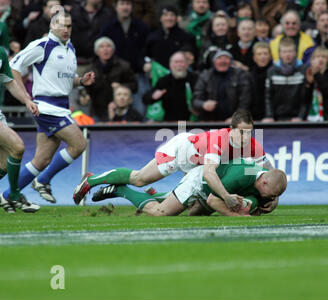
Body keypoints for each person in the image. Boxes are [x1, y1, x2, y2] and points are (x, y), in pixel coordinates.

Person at [74, 110, 277, 212]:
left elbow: (270, 171)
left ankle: (126, 191)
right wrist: (226, 197)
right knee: (139, 179)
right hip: (181, 152)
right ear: (230, 128)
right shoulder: (220, 140)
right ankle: (91, 180)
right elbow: (209, 173)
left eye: (248, 132)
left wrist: (275, 195)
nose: (245, 137)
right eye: (241, 132)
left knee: (188, 200)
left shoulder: (252, 144)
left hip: (197, 165)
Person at [7, 10, 95, 204]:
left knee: (42, 160)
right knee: (79, 144)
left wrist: (80, 81)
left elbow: (63, 80)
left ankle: (7, 196)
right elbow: (13, 68)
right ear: (52, 26)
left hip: (61, 106)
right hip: (46, 107)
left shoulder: (69, 47)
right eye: (61, 25)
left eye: (69, 26)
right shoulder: (41, 45)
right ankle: (43, 180)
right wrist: (26, 99)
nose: (66, 29)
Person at [89, 159, 287, 217]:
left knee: (194, 215)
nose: (268, 199)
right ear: (263, 182)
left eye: (273, 197)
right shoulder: (240, 176)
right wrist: (241, 217)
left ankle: (156, 194)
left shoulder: (262, 176)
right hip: (199, 183)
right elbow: (213, 200)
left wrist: (274, 199)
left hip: (213, 185)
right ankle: (119, 190)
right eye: (269, 195)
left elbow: (273, 176)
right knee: (161, 213)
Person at [0, 47, 40, 213]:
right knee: (17, 147)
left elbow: (9, 81)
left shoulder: (1, 53)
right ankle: (14, 195)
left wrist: (26, 100)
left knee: (4, 162)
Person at [99, 0, 150, 118]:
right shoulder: (108, 27)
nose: (125, 7)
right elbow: (102, 50)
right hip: (115, 76)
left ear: (132, 6)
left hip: (137, 74)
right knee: (111, 111)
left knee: (139, 109)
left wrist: (144, 63)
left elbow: (145, 50)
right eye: (122, 4)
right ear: (116, 7)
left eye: (128, 4)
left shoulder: (141, 27)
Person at [86, 36, 138, 121]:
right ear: (97, 51)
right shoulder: (90, 69)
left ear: (113, 50)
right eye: (101, 46)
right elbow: (85, 89)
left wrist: (121, 86)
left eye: (108, 46)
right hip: (97, 110)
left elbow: (134, 86)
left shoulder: (124, 66)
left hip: (120, 110)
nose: (105, 49)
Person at [193, 50, 251, 121]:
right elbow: (195, 100)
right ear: (214, 62)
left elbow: (245, 100)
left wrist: (237, 117)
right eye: (219, 58)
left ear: (231, 62)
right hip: (209, 121)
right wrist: (203, 104)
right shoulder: (205, 76)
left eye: (226, 58)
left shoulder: (240, 75)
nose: (223, 61)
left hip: (234, 122)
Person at [142, 51, 198, 121]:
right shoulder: (164, 81)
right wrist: (153, 96)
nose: (179, 65)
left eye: (181, 62)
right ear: (170, 65)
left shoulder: (195, 79)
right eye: (176, 62)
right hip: (170, 123)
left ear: (187, 64)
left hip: (192, 122)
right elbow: (145, 99)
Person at [263, 37, 308, 122]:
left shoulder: (304, 70)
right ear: (280, 53)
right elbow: (268, 97)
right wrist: (269, 116)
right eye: (284, 51)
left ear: (295, 53)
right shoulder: (272, 71)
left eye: (290, 51)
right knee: (259, 134)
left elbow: (305, 97)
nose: (287, 54)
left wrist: (301, 116)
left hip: (297, 118)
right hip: (277, 118)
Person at [144, 4, 196, 70]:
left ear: (177, 18)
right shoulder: (152, 37)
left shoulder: (186, 37)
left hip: (180, 74)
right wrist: (146, 63)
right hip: (158, 75)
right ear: (160, 18)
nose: (169, 18)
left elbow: (191, 54)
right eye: (165, 15)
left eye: (172, 15)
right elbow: (145, 55)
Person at [249, 41, 272, 121]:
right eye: (259, 54)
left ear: (270, 56)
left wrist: (270, 116)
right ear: (254, 58)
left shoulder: (275, 73)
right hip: (255, 118)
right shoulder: (249, 75)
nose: (263, 57)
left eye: (265, 54)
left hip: (273, 118)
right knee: (259, 134)